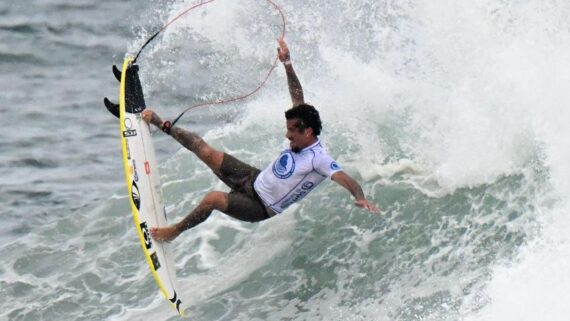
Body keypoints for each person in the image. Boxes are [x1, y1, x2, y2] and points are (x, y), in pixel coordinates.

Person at [143, 38, 379, 242]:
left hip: (261, 207)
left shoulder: (320, 159)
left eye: (292, 132)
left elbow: (346, 179)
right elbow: (297, 96)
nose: (287, 135)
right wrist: (287, 64)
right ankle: (160, 123)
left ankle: (173, 232)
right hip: (253, 178)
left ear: (307, 132)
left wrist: (360, 197)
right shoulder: (301, 122)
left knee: (213, 198)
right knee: (205, 151)